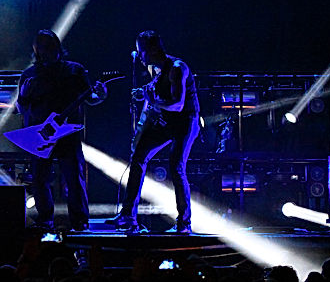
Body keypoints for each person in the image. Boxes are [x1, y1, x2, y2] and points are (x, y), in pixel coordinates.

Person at [16, 30, 104, 232]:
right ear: (38, 51)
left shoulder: (74, 70)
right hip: (40, 134)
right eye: (43, 49)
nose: (48, 52)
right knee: (39, 179)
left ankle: (80, 222)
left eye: (51, 47)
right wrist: (23, 94)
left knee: (74, 178)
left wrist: (101, 95)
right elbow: (21, 109)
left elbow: (90, 98)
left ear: (57, 47)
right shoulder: (29, 74)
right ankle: (45, 220)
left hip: (68, 133)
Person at [113, 30, 200, 234]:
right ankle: (128, 214)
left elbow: (177, 104)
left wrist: (152, 100)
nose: (139, 57)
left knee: (176, 166)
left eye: (141, 51)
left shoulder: (177, 68)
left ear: (152, 49)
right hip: (166, 122)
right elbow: (156, 93)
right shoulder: (158, 71)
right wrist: (145, 93)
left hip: (186, 122)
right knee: (138, 157)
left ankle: (184, 223)